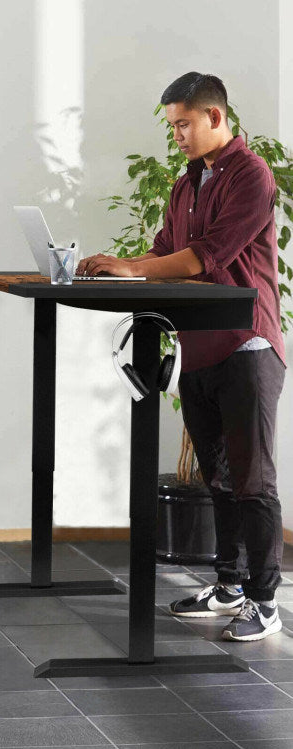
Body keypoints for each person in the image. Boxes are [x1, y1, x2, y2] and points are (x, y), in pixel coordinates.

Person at [78, 72, 286, 642]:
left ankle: (265, 601)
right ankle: (229, 585)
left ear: (216, 117)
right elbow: (164, 252)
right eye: (172, 127)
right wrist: (117, 266)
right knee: (218, 478)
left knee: (252, 480)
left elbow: (205, 257)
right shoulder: (184, 182)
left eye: (183, 124)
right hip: (198, 347)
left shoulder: (251, 175)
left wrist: (133, 269)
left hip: (247, 344)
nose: (177, 136)